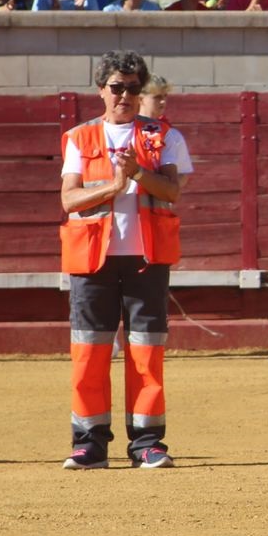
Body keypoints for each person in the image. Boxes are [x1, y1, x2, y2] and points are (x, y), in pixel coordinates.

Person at [59, 51, 190, 470]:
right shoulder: (81, 137)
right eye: (117, 87)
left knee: (146, 353)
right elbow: (69, 199)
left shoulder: (163, 135)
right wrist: (114, 186)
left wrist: (135, 175)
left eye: (134, 88)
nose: (126, 96)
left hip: (145, 257)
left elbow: (171, 191)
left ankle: (147, 442)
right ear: (101, 90)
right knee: (89, 353)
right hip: (93, 258)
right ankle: (89, 443)